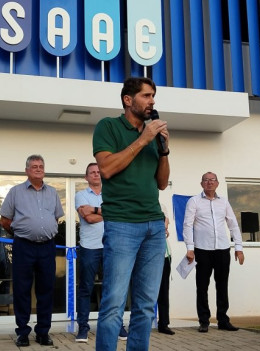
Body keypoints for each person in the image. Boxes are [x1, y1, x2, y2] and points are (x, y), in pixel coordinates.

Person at [92, 77, 170, 351]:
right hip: (122, 224)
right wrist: (143, 139)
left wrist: (163, 150)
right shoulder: (108, 126)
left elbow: (161, 183)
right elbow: (107, 169)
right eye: (147, 96)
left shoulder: (153, 136)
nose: (152, 101)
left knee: (146, 305)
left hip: (154, 227)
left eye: (153, 97)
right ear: (128, 99)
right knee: (113, 302)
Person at [0, 155, 64, 347]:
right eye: (34, 166)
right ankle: (23, 332)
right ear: (27, 170)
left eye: (41, 166)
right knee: (22, 290)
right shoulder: (15, 192)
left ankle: (43, 333)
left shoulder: (52, 192)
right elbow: (4, 220)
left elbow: (57, 218)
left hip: (47, 247)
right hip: (24, 246)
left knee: (46, 289)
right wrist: (22, 231)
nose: (38, 169)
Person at [182, 172, 244, 333]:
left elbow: (233, 225)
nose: (209, 183)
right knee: (202, 286)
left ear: (217, 183)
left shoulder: (224, 202)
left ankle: (223, 319)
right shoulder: (194, 201)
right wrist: (190, 247)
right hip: (202, 249)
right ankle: (204, 321)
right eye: (206, 180)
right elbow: (187, 225)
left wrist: (238, 247)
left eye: (212, 180)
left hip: (222, 249)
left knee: (222, 285)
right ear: (201, 183)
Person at [73, 163, 127, 343]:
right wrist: (110, 213)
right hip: (89, 247)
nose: (96, 175)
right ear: (86, 177)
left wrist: (96, 210)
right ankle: (83, 328)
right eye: (92, 173)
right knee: (85, 289)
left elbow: (119, 213)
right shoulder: (80, 195)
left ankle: (116, 326)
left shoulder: (112, 194)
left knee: (113, 289)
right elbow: (87, 218)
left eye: (98, 172)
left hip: (112, 247)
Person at [156, 203, 174, 335]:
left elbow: (165, 223)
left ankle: (163, 323)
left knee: (163, 289)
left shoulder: (161, 205)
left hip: (163, 254)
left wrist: (164, 228)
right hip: (144, 254)